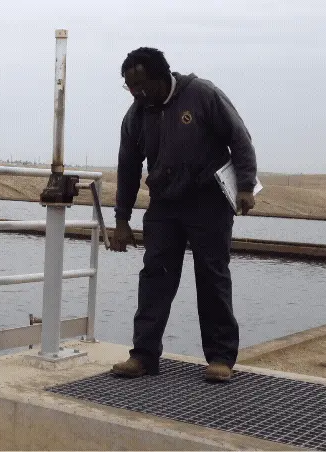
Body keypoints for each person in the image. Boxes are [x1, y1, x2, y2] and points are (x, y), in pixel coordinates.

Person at [109, 47, 258, 382]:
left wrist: (246, 186)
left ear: (162, 77)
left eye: (141, 85)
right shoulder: (136, 116)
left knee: (212, 277)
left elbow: (239, 138)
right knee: (154, 278)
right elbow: (128, 167)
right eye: (130, 87)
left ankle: (220, 357)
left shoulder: (202, 95)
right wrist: (121, 219)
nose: (136, 93)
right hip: (164, 204)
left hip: (209, 201)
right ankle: (143, 355)